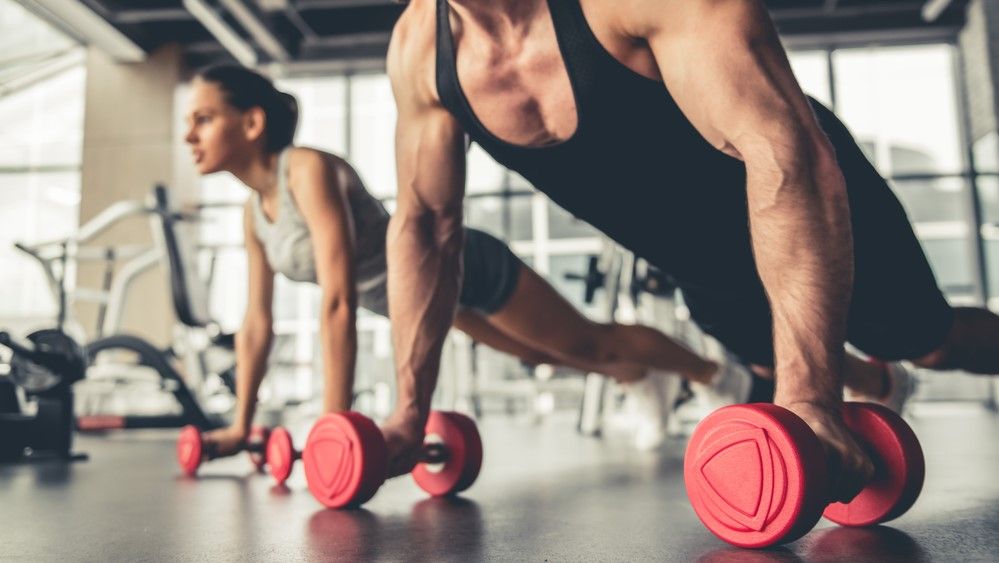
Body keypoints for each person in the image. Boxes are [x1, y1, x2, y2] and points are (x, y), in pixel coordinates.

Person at [381, 0, 999, 500]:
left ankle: (887, 366)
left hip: (812, 206)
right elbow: (426, 228)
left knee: (932, 342)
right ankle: (879, 382)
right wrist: (408, 416)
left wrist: (812, 399)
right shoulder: (420, 50)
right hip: (698, 265)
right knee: (761, 364)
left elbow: (783, 155)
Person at [182, 64, 741, 456]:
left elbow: (338, 298)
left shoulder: (305, 170)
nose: (189, 134)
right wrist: (238, 425)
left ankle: (714, 374)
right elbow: (257, 325)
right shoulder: (253, 214)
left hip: (462, 264)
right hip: (426, 302)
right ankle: (641, 377)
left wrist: (335, 422)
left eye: (203, 118)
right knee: (539, 353)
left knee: (586, 342)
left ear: (252, 123)